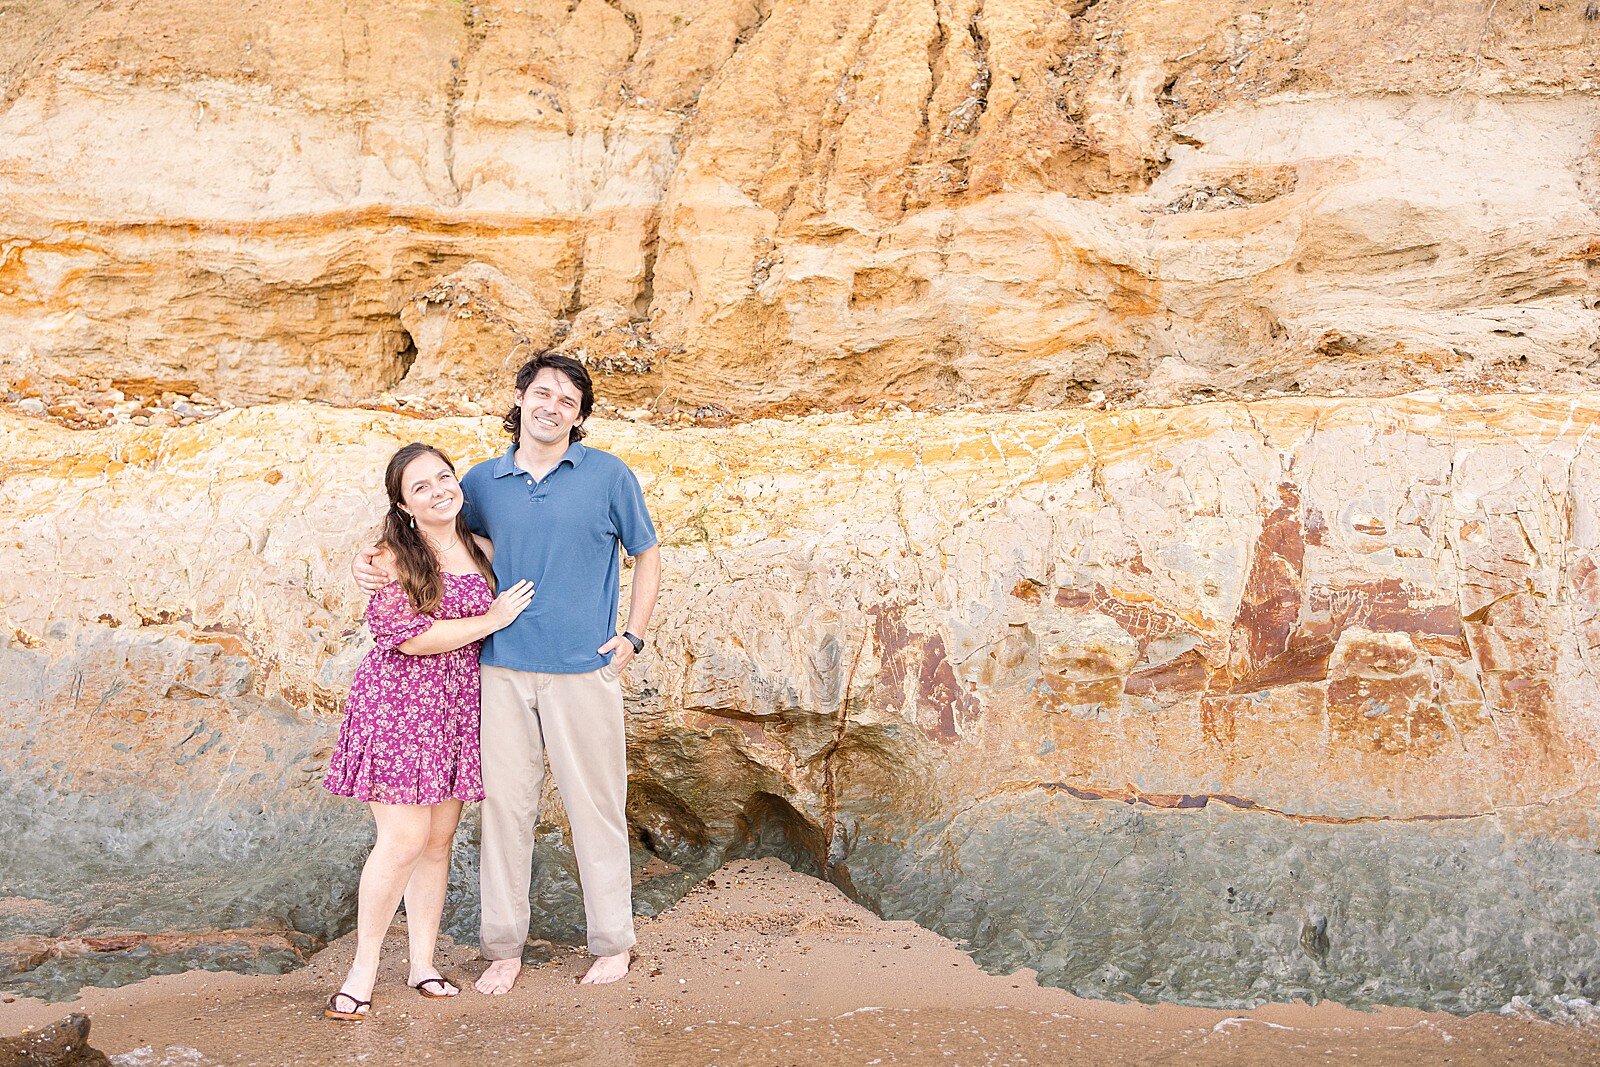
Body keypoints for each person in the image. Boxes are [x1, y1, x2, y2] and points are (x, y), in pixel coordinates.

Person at [354, 352, 660, 990]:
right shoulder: (481, 482)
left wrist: (633, 634)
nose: (552, 407)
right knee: (506, 814)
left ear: (579, 417)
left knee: (597, 808)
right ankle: (504, 949)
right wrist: (373, 562)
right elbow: (433, 542)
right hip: (498, 672)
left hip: (584, 669)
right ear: (520, 398)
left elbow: (647, 553)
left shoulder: (609, 476)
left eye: (568, 401)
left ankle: (612, 941)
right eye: (543, 393)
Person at [323, 443, 536, 1021]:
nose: (439, 489)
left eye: (444, 477)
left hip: (458, 708)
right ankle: (362, 969)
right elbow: (407, 637)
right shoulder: (392, 555)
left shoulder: (483, 549)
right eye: (421, 486)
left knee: (439, 843)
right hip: (398, 707)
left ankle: (423, 963)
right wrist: (490, 620)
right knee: (401, 842)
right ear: (403, 503)